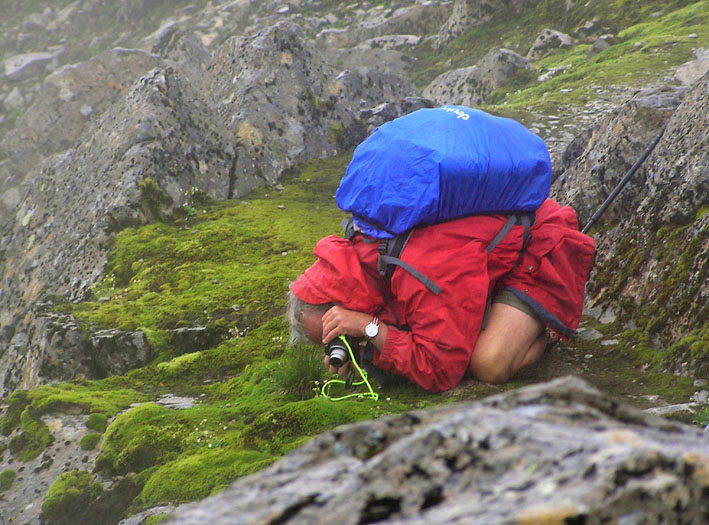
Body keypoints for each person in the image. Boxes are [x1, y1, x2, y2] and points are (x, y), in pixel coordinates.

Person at [288, 198, 595, 392]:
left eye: (336, 330)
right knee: (457, 335)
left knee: (487, 363)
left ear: (346, 304)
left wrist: (370, 329)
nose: (338, 342)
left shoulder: (414, 267)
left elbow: (441, 369)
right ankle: (503, 318)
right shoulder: (365, 262)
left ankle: (544, 326)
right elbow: (411, 327)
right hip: (485, 261)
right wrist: (365, 357)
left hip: (539, 248)